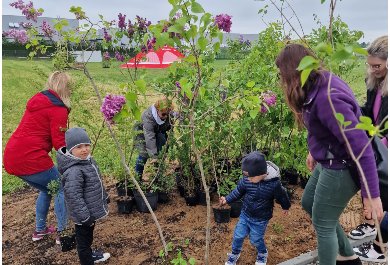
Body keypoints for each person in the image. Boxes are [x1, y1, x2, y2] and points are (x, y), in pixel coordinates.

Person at [275, 44, 383, 265]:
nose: (281, 81)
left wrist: (371, 195)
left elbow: (361, 149)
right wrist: (314, 151)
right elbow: (321, 126)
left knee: (323, 221)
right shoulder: (316, 83)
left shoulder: (328, 98)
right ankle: (347, 255)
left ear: (293, 72)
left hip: (341, 166)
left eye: (283, 75)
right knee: (308, 202)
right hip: (329, 158)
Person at [3, 71, 71, 243]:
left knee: (46, 189)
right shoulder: (58, 108)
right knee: (60, 188)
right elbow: (59, 143)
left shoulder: (39, 101)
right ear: (65, 88)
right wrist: (74, 159)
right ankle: (63, 233)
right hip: (31, 157)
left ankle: (40, 231)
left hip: (12, 155)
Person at [219, 151, 291, 265]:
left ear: (261, 173)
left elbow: (282, 196)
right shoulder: (247, 180)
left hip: (261, 219)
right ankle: (234, 253)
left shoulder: (274, 184)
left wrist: (285, 206)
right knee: (238, 235)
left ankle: (262, 253)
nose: (248, 179)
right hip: (245, 214)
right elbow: (238, 191)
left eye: (251, 177)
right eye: (246, 177)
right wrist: (227, 199)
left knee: (255, 239)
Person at [349, 35, 388, 241]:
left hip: (384, 145)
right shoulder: (375, 83)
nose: (372, 70)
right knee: (375, 189)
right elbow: (369, 112)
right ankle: (373, 226)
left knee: (383, 190)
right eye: (370, 65)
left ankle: (380, 244)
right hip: (376, 143)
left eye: (378, 66)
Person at [57, 127, 110, 264]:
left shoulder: (88, 161)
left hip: (89, 213)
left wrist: (104, 196)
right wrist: (85, 216)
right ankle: (87, 261)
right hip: (83, 216)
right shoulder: (74, 171)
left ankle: (90, 255)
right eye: (79, 147)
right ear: (70, 150)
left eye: (87, 145)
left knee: (88, 238)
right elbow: (74, 197)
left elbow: (96, 182)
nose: (84, 149)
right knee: (83, 243)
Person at [134, 98, 174, 180]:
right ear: (157, 110)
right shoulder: (148, 117)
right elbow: (149, 137)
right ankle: (137, 178)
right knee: (143, 154)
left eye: (168, 114)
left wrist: (167, 143)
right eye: (163, 114)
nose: (166, 116)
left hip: (158, 131)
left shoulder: (168, 115)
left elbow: (169, 129)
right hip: (142, 133)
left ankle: (157, 177)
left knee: (161, 152)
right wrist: (153, 156)